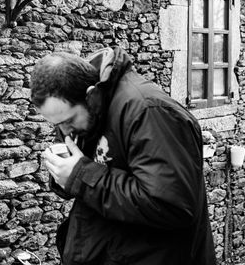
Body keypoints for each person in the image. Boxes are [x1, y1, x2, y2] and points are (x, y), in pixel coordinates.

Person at [32, 46, 215, 265]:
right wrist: (63, 172)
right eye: (57, 125)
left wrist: (80, 176)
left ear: (90, 96)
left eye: (68, 121)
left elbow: (172, 205)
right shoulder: (90, 110)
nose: (64, 132)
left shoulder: (150, 111)